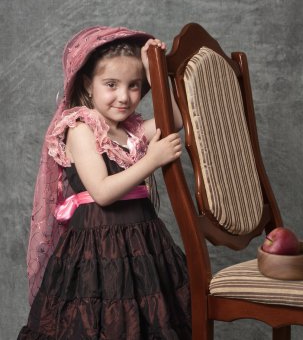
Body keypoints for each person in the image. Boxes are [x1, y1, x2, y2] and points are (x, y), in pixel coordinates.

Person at [18, 26, 191, 339]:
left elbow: (177, 119)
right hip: (97, 250)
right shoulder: (80, 128)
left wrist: (156, 74)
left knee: (150, 323)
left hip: (144, 245)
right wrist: (151, 160)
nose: (124, 96)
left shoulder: (131, 130)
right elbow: (102, 192)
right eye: (111, 84)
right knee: (106, 324)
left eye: (135, 86)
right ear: (88, 83)